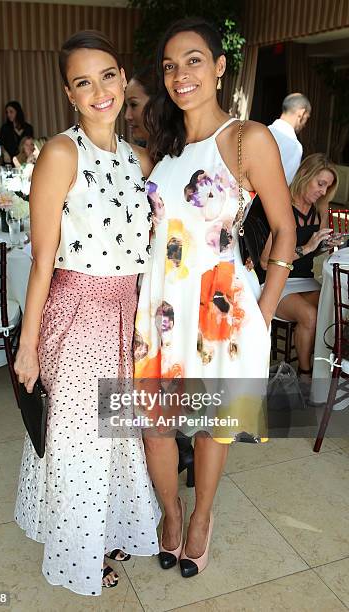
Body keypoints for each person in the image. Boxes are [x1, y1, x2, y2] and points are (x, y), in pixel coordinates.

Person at [134, 17, 296, 578]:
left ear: (221, 66)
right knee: (155, 422)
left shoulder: (247, 138)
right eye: (171, 66)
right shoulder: (168, 148)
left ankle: (201, 517)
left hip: (216, 309)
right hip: (156, 306)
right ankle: (170, 513)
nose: (181, 75)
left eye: (194, 60)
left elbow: (284, 229)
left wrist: (265, 311)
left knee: (209, 421)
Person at [13, 30, 160, 596]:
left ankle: (109, 528)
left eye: (107, 76)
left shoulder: (140, 159)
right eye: (83, 82)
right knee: (79, 441)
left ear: (124, 80)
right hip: (76, 314)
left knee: (117, 434)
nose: (99, 90)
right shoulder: (59, 152)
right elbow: (41, 261)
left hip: (125, 314)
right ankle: (79, 553)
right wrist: (29, 346)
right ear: (68, 94)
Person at [125, 67, 195, 485]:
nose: (127, 113)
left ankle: (177, 455)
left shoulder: (176, 159)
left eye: (134, 104)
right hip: (134, 290)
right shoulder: (131, 155)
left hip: (173, 291)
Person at [260, 154, 338, 379]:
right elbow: (266, 261)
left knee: (331, 309)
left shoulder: (320, 208)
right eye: (320, 184)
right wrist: (308, 247)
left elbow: (315, 248)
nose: (323, 192)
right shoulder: (282, 207)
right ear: (305, 175)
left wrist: (325, 245)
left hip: (304, 279)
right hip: (277, 280)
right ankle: (305, 373)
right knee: (311, 316)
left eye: (328, 186)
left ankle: (324, 369)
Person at [268, 93, 311, 185]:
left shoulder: (264, 131)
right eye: (307, 118)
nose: (305, 124)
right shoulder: (294, 145)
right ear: (301, 113)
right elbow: (282, 185)